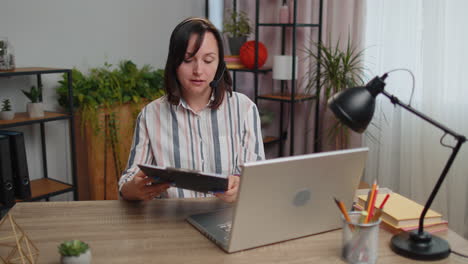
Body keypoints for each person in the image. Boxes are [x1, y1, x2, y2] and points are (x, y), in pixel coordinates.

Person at [119, 17, 265, 203]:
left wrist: (242, 188)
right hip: (170, 222)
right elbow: (127, 182)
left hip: (226, 220)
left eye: (208, 60)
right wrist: (131, 190)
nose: (198, 70)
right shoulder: (151, 114)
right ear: (174, 62)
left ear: (219, 64)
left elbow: (257, 181)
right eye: (188, 60)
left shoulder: (244, 109)